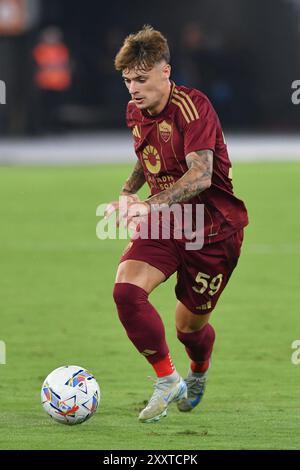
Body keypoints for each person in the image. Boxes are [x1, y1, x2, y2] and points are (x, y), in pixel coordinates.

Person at [107, 25, 248, 423]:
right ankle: (167, 379)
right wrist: (126, 191)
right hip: (168, 222)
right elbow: (146, 154)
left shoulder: (193, 106)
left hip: (214, 230)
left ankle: (198, 371)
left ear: (166, 72)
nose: (134, 89)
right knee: (126, 293)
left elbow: (200, 176)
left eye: (142, 79)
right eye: (128, 81)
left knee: (189, 328)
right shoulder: (135, 110)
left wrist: (147, 207)